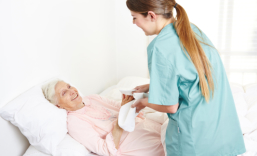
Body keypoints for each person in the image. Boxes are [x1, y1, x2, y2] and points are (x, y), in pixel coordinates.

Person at [126, 0, 246, 155]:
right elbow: (193, 72)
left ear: (151, 15)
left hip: (195, 141)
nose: (134, 23)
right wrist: (152, 86)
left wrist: (142, 103)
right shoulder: (192, 30)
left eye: (134, 17)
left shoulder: (159, 47)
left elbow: (170, 106)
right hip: (223, 134)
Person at [42, 79, 165, 156]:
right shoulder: (74, 122)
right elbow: (105, 149)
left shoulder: (92, 98)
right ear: (58, 105)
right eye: (64, 93)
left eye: (69, 86)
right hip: (135, 143)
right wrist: (122, 119)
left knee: (175, 134)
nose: (72, 91)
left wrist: (131, 102)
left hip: (146, 126)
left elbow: (119, 106)